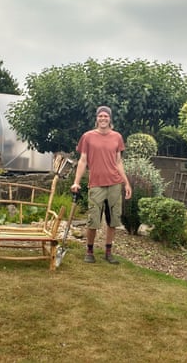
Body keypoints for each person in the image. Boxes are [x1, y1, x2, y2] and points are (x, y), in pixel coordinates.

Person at [70, 105, 132, 264]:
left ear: (110, 119)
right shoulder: (88, 137)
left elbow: (118, 162)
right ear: (96, 118)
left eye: (106, 116)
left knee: (113, 221)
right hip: (96, 184)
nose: (103, 119)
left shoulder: (117, 137)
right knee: (93, 220)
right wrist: (76, 182)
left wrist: (126, 183)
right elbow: (83, 160)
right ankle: (89, 251)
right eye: (100, 116)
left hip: (114, 184)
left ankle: (108, 252)